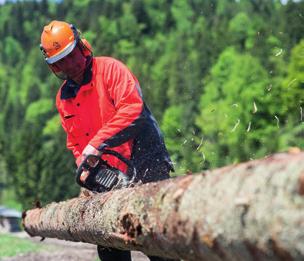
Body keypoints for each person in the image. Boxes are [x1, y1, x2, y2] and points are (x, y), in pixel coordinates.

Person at [40, 20, 175, 261]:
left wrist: (97, 144)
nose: (69, 65)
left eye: (71, 56)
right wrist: (84, 167)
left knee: (154, 238)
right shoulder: (64, 98)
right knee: (110, 242)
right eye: (61, 61)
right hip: (108, 170)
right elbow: (75, 142)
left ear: (81, 47)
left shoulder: (110, 70)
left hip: (144, 155)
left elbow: (132, 109)